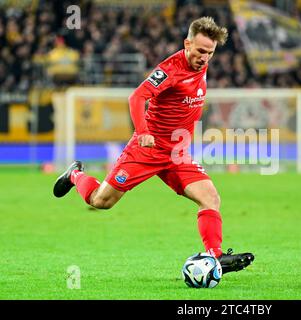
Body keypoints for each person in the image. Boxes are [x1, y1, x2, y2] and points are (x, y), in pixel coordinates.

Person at [53, 17, 254, 274]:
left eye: (210, 53)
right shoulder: (171, 69)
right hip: (147, 149)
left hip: (177, 153)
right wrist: (143, 131)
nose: (205, 58)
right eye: (201, 51)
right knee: (100, 201)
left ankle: (215, 257)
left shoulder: (201, 65)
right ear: (187, 43)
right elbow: (137, 97)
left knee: (210, 197)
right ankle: (75, 175)